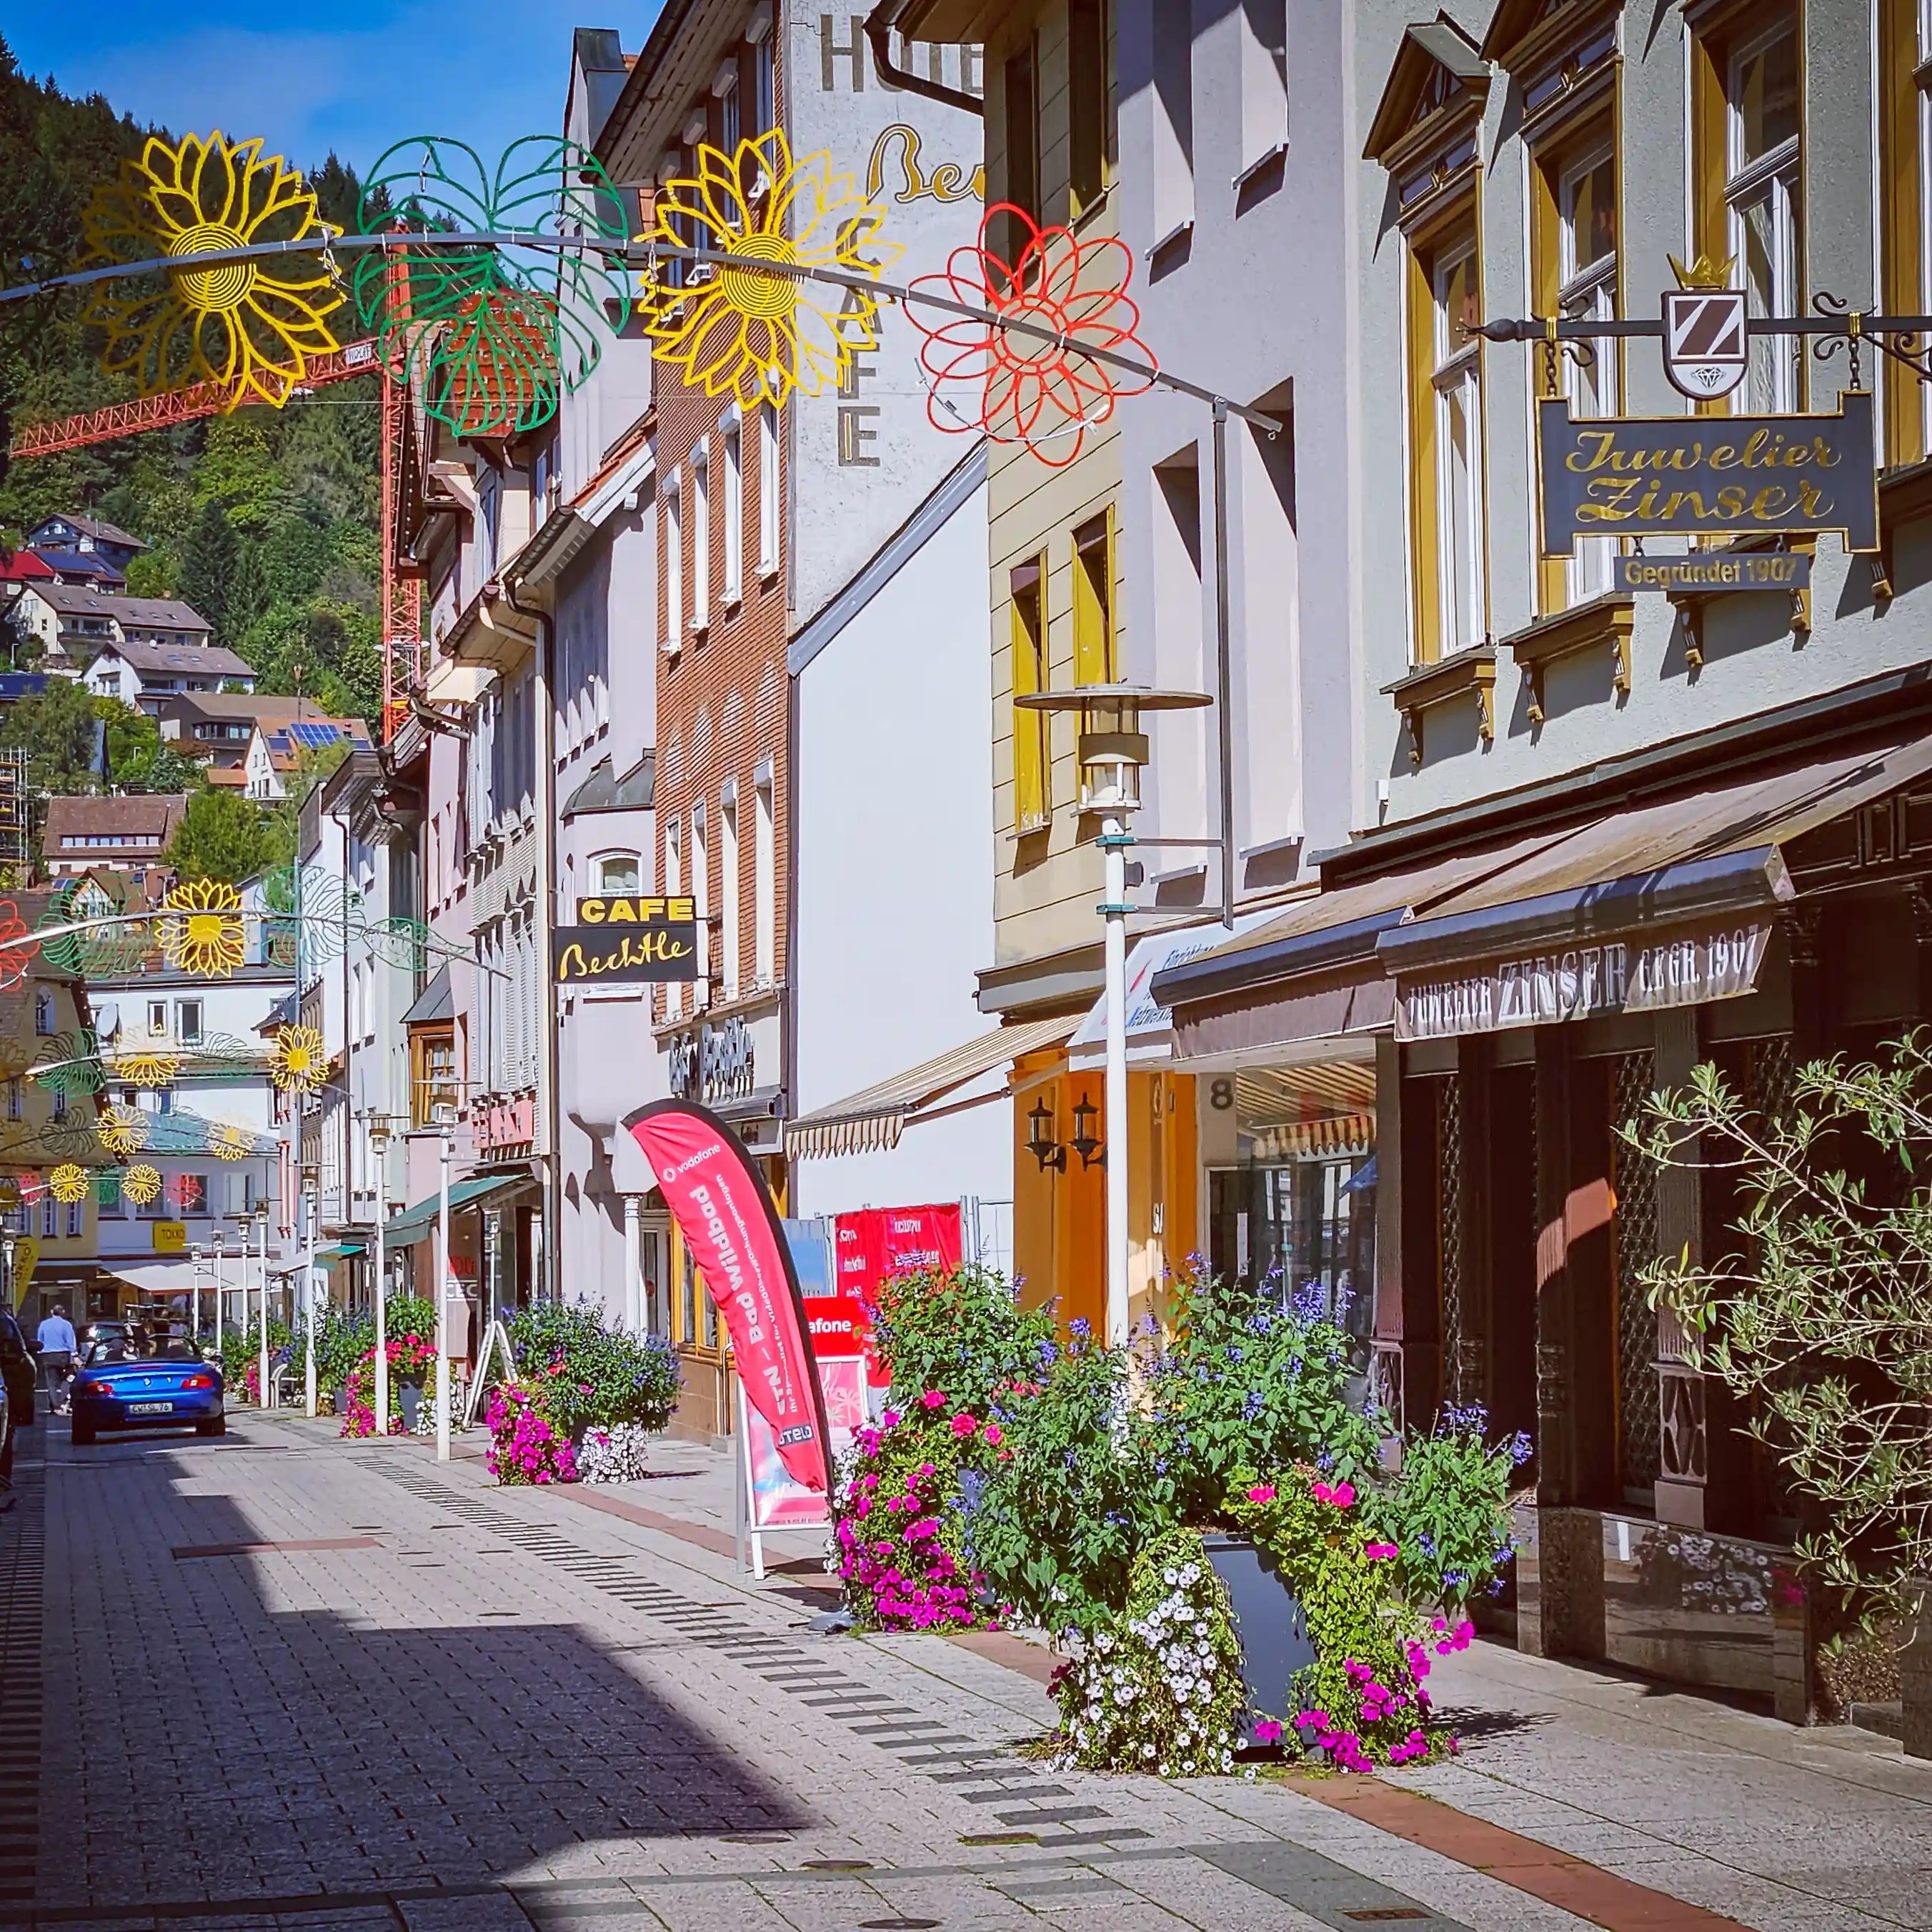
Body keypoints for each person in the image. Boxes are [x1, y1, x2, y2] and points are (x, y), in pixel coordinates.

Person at [36, 1303, 78, 1416]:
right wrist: (74, 1355)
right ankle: (63, 1402)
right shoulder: (67, 1325)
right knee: (66, 1379)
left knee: (51, 1383)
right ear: (63, 1312)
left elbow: (40, 1341)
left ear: (51, 1312)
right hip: (63, 1356)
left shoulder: (44, 1324)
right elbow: (71, 1342)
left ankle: (55, 1406)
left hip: (48, 1356)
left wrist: (40, 1353)